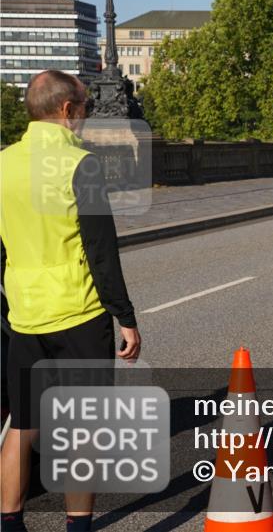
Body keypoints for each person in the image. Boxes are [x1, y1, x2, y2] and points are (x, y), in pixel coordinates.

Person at [0, 70, 142, 532]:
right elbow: (101, 250)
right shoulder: (81, 164)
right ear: (66, 110)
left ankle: (10, 522)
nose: (84, 118)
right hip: (78, 314)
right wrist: (125, 317)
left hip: (24, 315)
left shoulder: (3, 163)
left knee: (22, 426)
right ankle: (78, 525)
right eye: (84, 109)